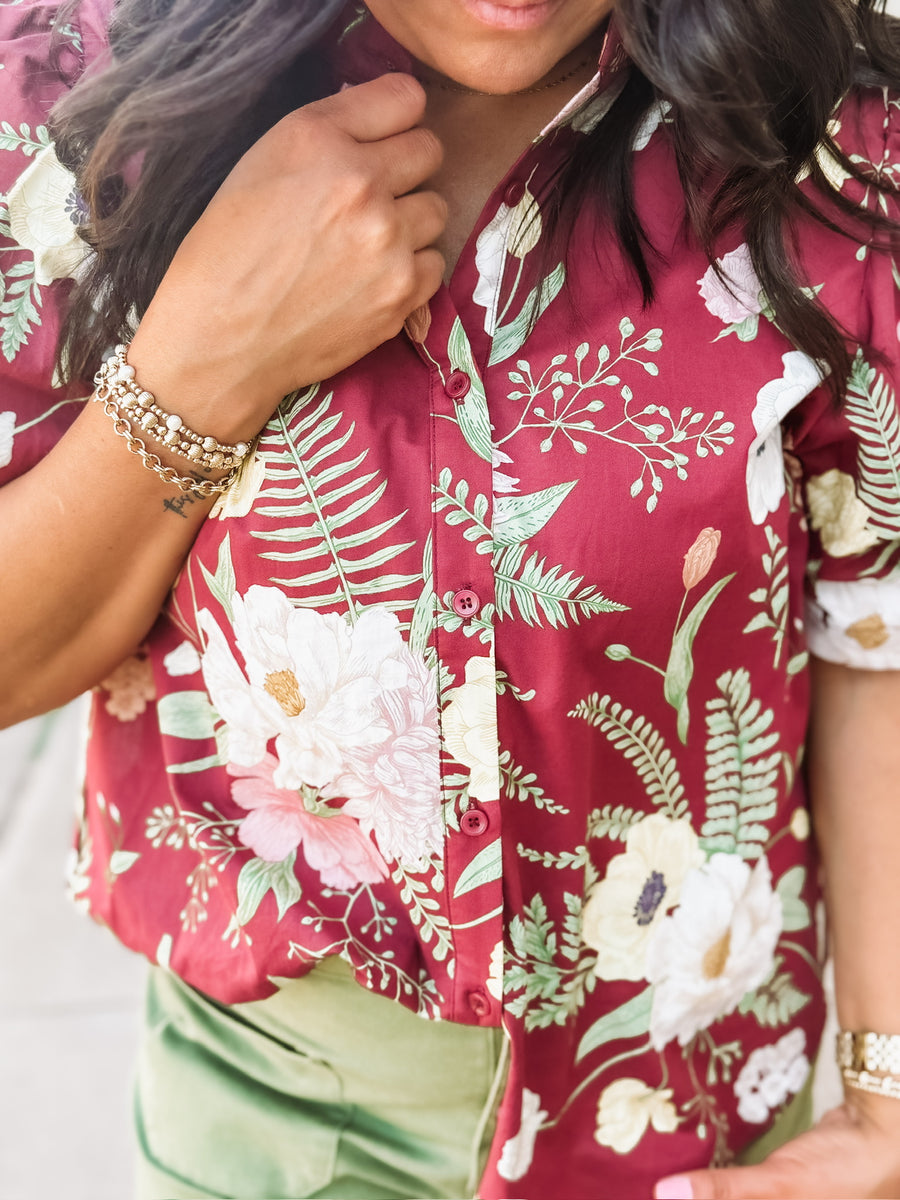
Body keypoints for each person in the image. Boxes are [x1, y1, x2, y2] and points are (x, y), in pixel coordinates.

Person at [2, 0, 900, 1196]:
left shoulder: (829, 124)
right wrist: (203, 359)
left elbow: (874, 634)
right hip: (276, 1118)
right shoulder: (69, 91)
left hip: (704, 1124)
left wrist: (888, 1102)